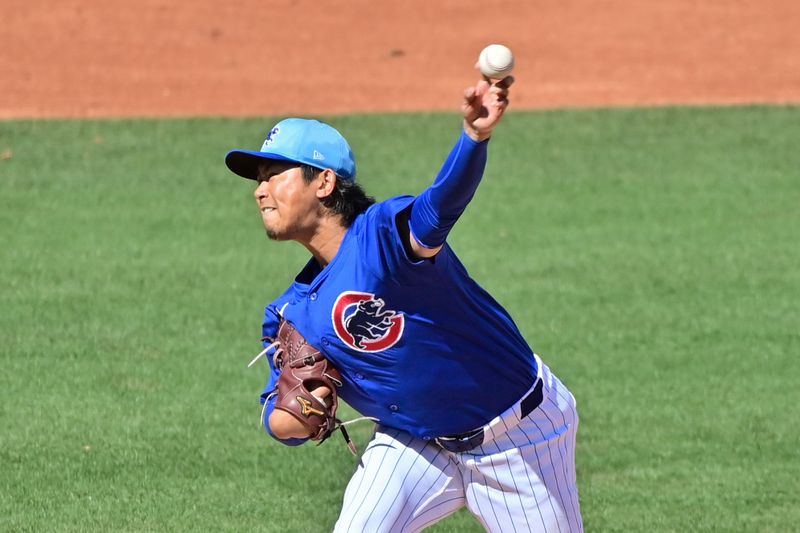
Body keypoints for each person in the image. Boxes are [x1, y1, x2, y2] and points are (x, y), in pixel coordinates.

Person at [225, 75, 583, 532]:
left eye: (275, 175)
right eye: (258, 179)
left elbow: (439, 208)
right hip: (416, 442)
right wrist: (302, 408)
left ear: (324, 183)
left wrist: (474, 138)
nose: (260, 190)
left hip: (519, 437)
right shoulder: (291, 313)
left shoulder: (380, 239)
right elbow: (282, 422)